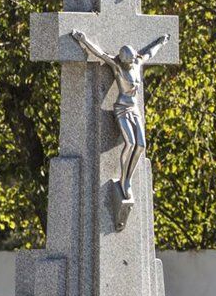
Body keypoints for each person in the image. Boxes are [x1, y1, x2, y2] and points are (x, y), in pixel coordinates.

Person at [71, 29, 171, 202]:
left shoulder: (137, 63)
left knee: (141, 145)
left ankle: (127, 178)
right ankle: (125, 180)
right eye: (129, 61)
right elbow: (100, 53)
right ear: (122, 60)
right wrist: (84, 40)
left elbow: (149, 53)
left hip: (134, 109)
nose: (132, 63)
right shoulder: (117, 66)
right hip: (121, 108)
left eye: (133, 60)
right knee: (130, 143)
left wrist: (161, 42)